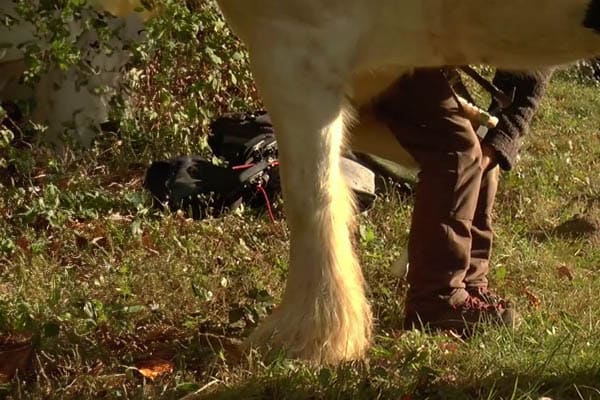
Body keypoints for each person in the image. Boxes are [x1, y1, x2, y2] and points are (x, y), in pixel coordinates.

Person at [370, 67, 553, 332]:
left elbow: (530, 70)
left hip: (425, 51)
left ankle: (470, 284)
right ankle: (436, 302)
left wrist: (501, 138)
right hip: (386, 45)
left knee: (482, 148)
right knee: (456, 150)